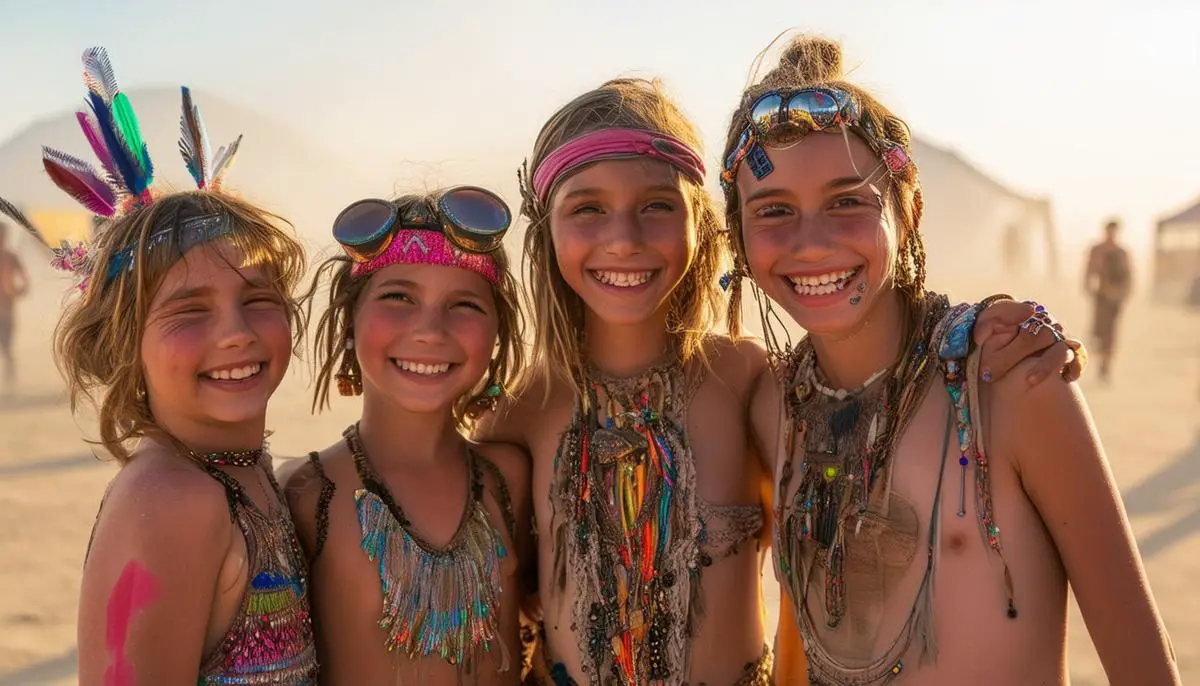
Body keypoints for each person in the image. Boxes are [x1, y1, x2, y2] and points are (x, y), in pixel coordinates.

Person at [475, 77, 1084, 686]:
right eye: (587, 208)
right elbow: (497, 607)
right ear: (545, 227)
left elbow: (872, 419)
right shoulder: (522, 412)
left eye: (657, 205)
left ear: (703, 222)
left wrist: (963, 332)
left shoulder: (746, 381)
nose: (623, 239)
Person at [719, 34, 1177, 684]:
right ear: (737, 238)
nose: (811, 242)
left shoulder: (1009, 382)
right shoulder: (774, 407)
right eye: (773, 211)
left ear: (906, 210)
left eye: (849, 200)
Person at [37, 49, 317, 684]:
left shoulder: (244, 475)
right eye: (190, 312)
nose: (236, 335)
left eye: (258, 300)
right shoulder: (174, 501)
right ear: (125, 342)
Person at [281, 186, 533, 685]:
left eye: (464, 305)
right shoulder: (307, 494)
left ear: (497, 334)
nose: (429, 329)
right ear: (350, 321)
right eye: (399, 297)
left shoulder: (508, 476)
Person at [1085, 219, 1133, 382]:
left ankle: (1105, 366)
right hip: (1102, 296)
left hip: (1115, 298)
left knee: (1111, 334)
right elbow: (1090, 270)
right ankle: (1101, 360)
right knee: (1099, 331)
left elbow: (1128, 275)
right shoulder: (1098, 250)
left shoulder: (1121, 252)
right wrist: (1090, 288)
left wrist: (1124, 294)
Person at [0, 220, 29, 390]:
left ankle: (10, 381)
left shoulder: (11, 256)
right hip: (5, 309)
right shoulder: (9, 256)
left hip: (7, 310)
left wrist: (19, 291)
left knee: (7, 346)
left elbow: (25, 279)